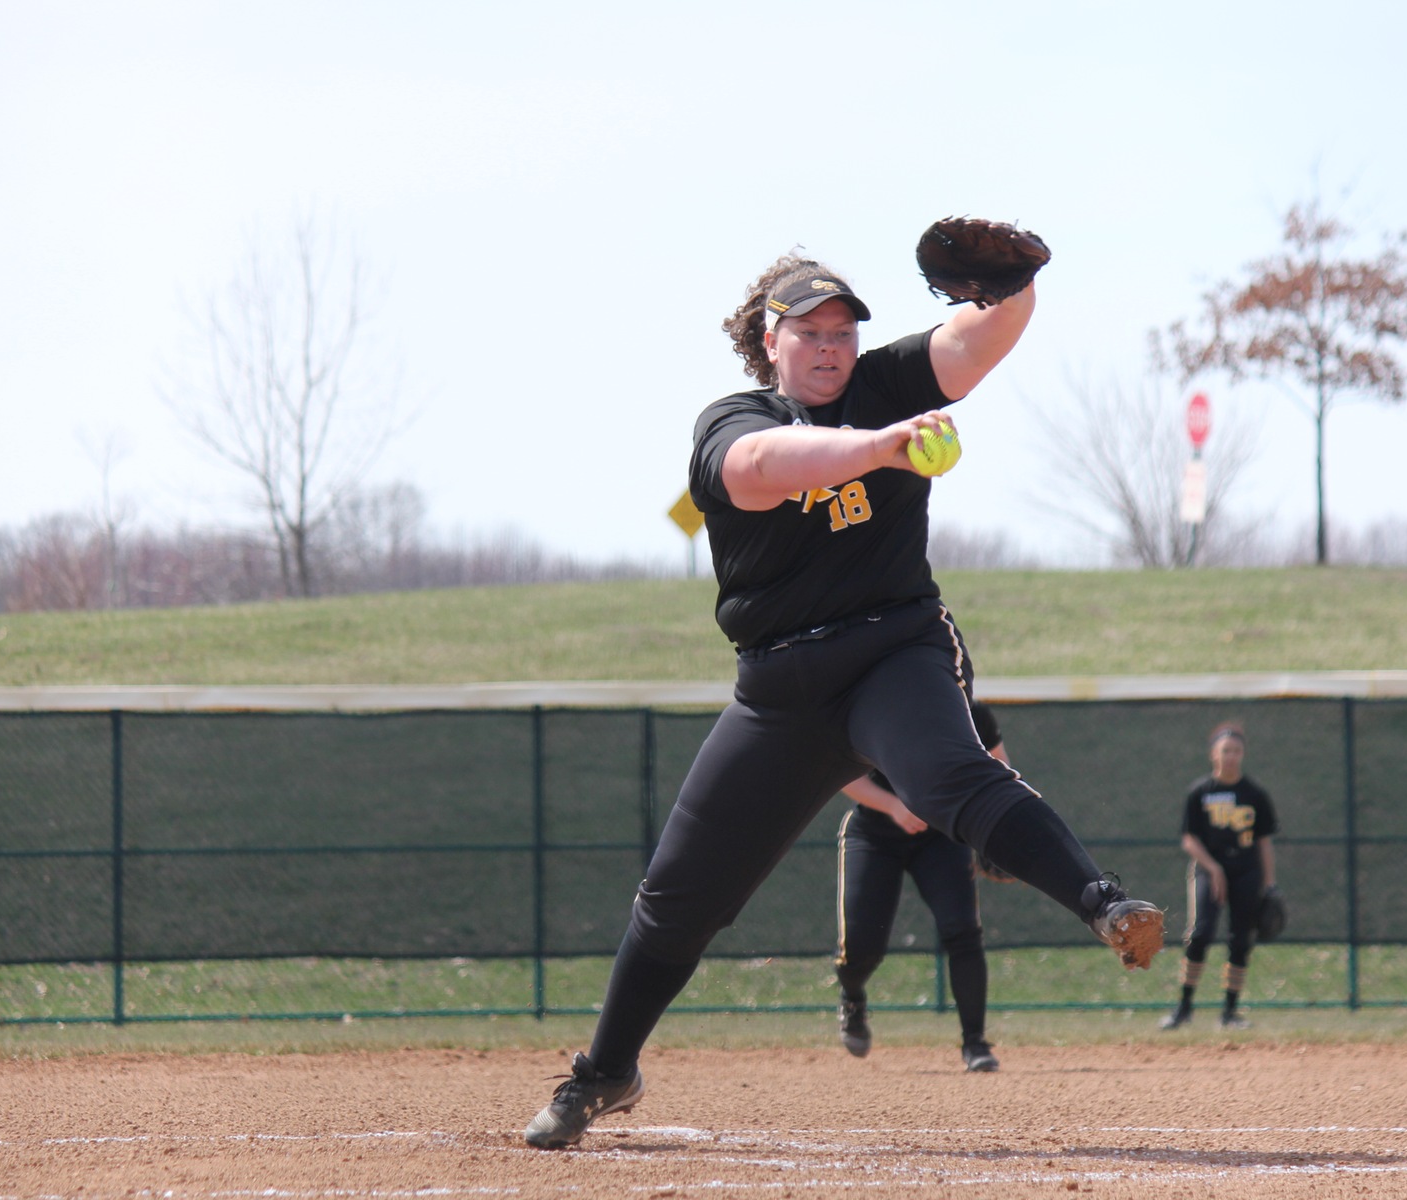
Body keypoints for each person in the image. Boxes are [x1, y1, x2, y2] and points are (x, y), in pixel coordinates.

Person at [524, 243, 1164, 1150]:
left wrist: (1011, 286)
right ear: (768, 340)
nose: (832, 347)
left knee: (949, 778)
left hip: (891, 647)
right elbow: (761, 468)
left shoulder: (887, 382)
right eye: (810, 332)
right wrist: (884, 446)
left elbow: (979, 343)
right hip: (780, 689)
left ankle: (1105, 902)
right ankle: (605, 1073)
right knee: (679, 897)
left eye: (843, 332)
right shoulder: (733, 420)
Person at [836, 697, 1010, 1072]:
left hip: (941, 835)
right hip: (875, 834)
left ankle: (975, 1043)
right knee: (862, 945)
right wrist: (894, 806)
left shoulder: (969, 712)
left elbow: (998, 767)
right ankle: (852, 996)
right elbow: (845, 775)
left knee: (962, 930)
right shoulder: (874, 708)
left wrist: (989, 830)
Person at [1159, 721, 1279, 1030]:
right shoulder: (1200, 792)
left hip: (1246, 871)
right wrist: (1213, 868)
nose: (1231, 756)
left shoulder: (1254, 793)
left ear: (1243, 754)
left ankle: (1229, 1012)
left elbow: (1264, 842)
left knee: (1240, 940)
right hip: (1208, 871)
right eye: (1225, 750)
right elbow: (1189, 839)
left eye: (1236, 750)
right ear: (1214, 754)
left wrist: (1269, 884)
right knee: (1200, 934)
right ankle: (1183, 1008)